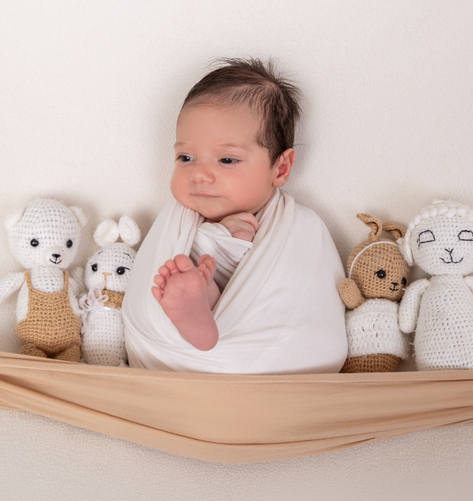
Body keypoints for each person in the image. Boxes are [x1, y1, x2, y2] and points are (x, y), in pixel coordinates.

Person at [122, 58, 348, 374]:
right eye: (185, 157)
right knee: (200, 271)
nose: (199, 174)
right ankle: (198, 303)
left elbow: (299, 293)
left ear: (280, 168)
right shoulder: (176, 218)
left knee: (214, 264)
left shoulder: (297, 229)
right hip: (163, 351)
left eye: (227, 160)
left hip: (256, 360)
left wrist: (219, 240)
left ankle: (201, 311)